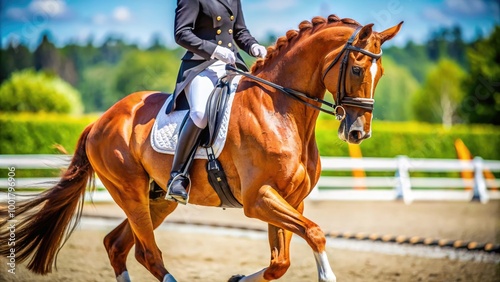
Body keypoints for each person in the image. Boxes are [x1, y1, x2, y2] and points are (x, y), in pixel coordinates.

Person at [164, 0, 267, 204]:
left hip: (232, 65)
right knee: (200, 114)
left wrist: (253, 46)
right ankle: (177, 176)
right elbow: (181, 33)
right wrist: (212, 50)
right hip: (201, 65)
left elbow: (240, 32)